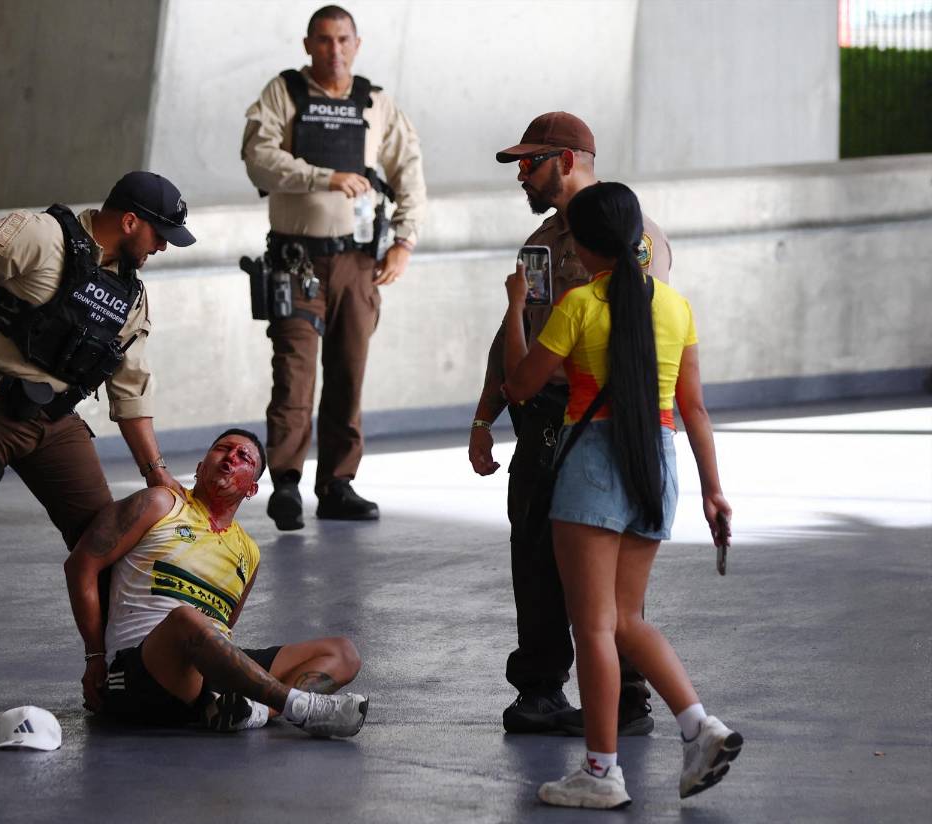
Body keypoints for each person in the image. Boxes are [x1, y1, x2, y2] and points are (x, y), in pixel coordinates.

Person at [0, 171, 195, 728]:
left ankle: (127, 677)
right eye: (159, 236)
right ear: (129, 222)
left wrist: (157, 473)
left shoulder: (130, 295)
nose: (161, 249)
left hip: (54, 422)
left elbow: (130, 390)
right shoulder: (39, 235)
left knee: (108, 542)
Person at [501, 181, 741, 809]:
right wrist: (714, 491)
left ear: (582, 245)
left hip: (593, 468)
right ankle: (700, 728)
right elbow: (693, 409)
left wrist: (515, 307)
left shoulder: (578, 304)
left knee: (595, 629)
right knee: (627, 621)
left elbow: (520, 385)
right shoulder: (676, 306)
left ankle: (602, 772)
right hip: (657, 464)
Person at [468, 112, 671, 737]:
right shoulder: (542, 241)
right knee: (533, 554)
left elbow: (634, 329)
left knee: (602, 560)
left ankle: (626, 699)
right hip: (541, 418)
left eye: (530, 163)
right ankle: (539, 689)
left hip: (598, 418)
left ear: (567, 160)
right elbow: (515, 331)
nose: (522, 177)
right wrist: (485, 414)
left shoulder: (630, 233)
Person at [243, 4, 427, 529]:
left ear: (357, 44)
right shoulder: (283, 93)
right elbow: (259, 158)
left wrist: (405, 242)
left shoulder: (376, 103)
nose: (335, 50)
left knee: (348, 372)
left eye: (344, 40)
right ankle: (285, 484)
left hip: (357, 260)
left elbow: (410, 172)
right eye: (324, 40)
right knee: (294, 373)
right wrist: (324, 177)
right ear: (308, 45)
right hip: (296, 259)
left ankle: (338, 485)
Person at [64, 429, 368, 737]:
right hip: (141, 670)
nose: (230, 458)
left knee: (344, 653)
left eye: (243, 457)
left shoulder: (249, 552)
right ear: (200, 467)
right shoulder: (160, 503)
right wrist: (95, 655)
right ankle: (301, 708)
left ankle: (256, 712)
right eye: (223, 449)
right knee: (187, 618)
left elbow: (225, 625)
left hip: (204, 676)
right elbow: (81, 565)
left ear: (251, 489)